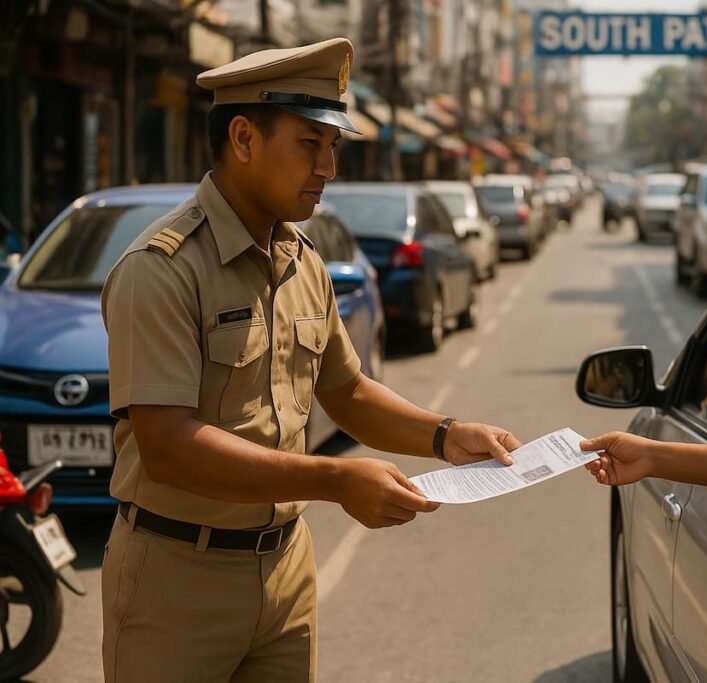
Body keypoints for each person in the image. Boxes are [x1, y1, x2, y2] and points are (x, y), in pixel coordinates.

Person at [101, 38, 521, 682]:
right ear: (243, 138)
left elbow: (347, 392)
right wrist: (333, 481)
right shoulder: (160, 270)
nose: (328, 167)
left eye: (334, 147)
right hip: (176, 579)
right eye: (309, 144)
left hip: (286, 572)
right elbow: (168, 445)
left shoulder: (303, 261)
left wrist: (445, 436)